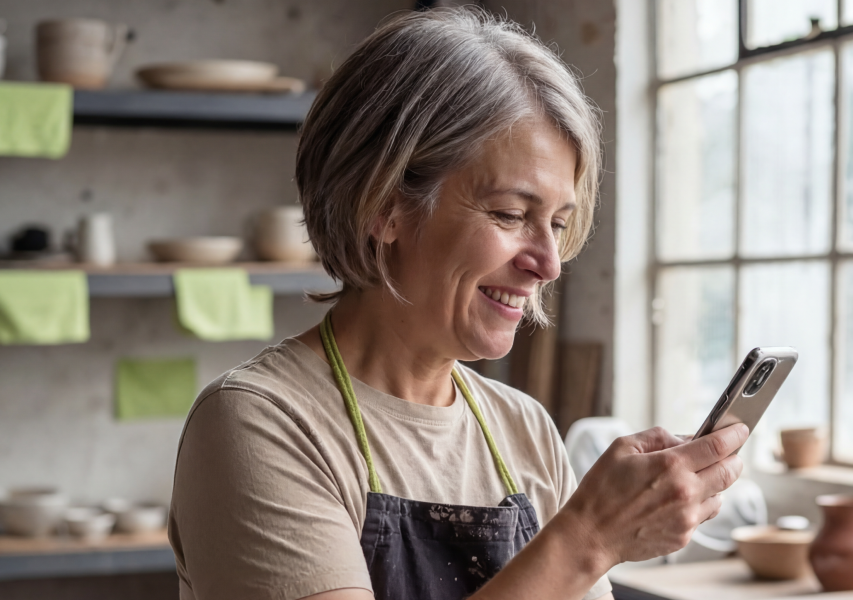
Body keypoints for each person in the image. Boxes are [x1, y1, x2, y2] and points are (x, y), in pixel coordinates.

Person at [167, 8, 747, 600]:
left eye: (558, 223)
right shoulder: (260, 424)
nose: (547, 263)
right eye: (510, 214)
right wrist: (591, 536)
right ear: (383, 207)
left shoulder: (524, 430)